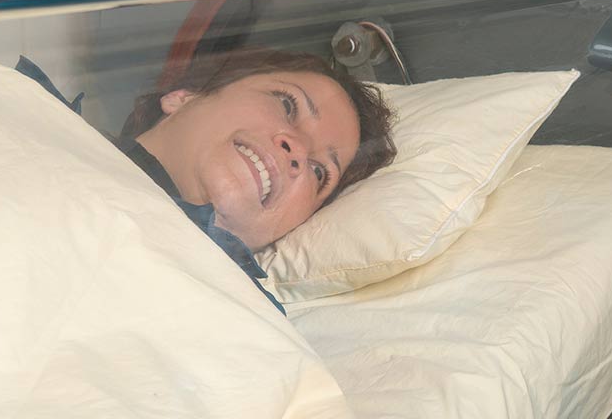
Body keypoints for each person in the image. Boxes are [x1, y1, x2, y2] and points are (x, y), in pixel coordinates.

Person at [22, 46, 395, 308]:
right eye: (286, 104)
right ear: (184, 96)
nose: (296, 149)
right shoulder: (19, 115)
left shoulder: (250, 333)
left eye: (319, 172)